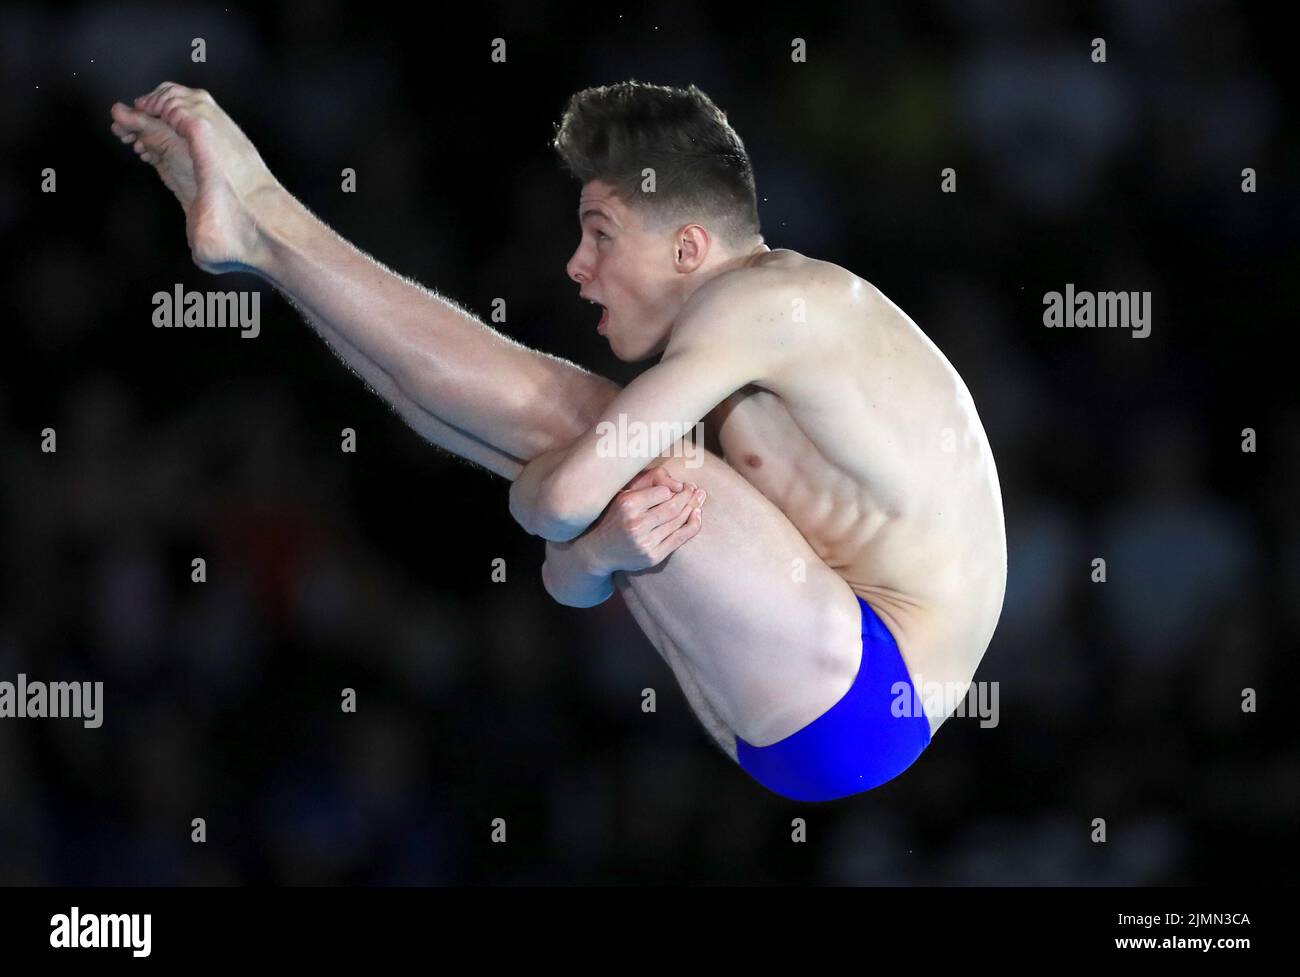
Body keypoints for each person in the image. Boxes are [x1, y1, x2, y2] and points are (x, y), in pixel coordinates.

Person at [109, 79, 1006, 802]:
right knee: (537, 435)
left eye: (601, 235)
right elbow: (570, 576)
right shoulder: (743, 353)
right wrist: (589, 540)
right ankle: (259, 247)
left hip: (861, 688)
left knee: (566, 421)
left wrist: (554, 506)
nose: (577, 267)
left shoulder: (770, 307)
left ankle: (266, 211)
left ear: (690, 247)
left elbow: (560, 499)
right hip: (812, 709)